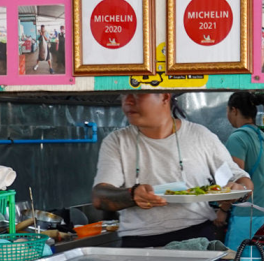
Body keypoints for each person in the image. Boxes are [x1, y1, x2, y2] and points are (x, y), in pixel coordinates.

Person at [93, 93, 253, 248]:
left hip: (197, 239)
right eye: (123, 94)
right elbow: (100, 197)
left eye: (137, 94)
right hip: (139, 244)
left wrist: (239, 189)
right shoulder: (116, 142)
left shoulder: (200, 136)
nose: (127, 101)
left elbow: (241, 180)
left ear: (164, 96)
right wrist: (132, 195)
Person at [224, 93, 264, 213]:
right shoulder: (261, 135)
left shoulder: (238, 138)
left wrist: (223, 210)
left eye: (228, 111)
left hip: (251, 215)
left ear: (234, 110)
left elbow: (236, 179)